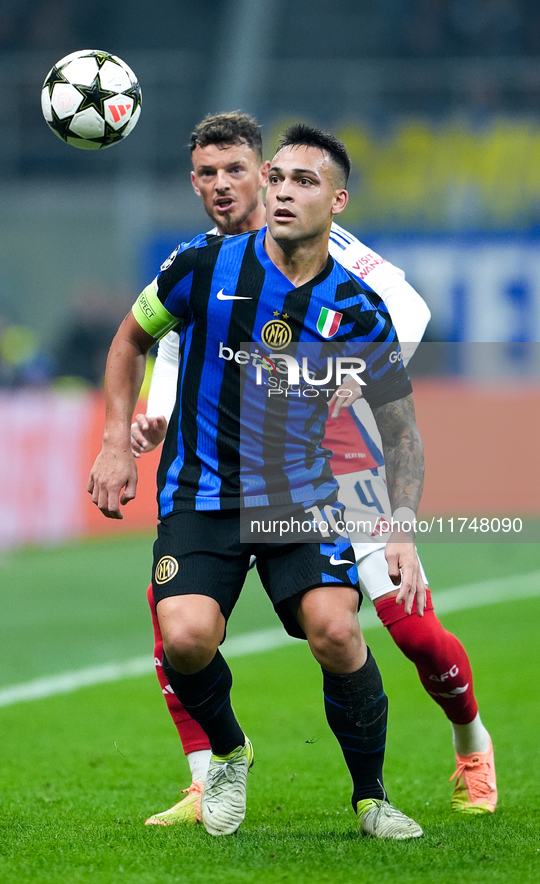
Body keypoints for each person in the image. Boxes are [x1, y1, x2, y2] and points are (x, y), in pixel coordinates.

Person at [132, 113, 497, 825]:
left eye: (240, 171)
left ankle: (470, 745)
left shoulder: (333, 251)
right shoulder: (202, 263)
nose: (226, 187)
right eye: (210, 175)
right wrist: (157, 407)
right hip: (235, 472)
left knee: (408, 626)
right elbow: (170, 342)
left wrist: (355, 377)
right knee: (175, 616)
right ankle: (206, 775)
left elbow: (410, 310)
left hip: (340, 461)